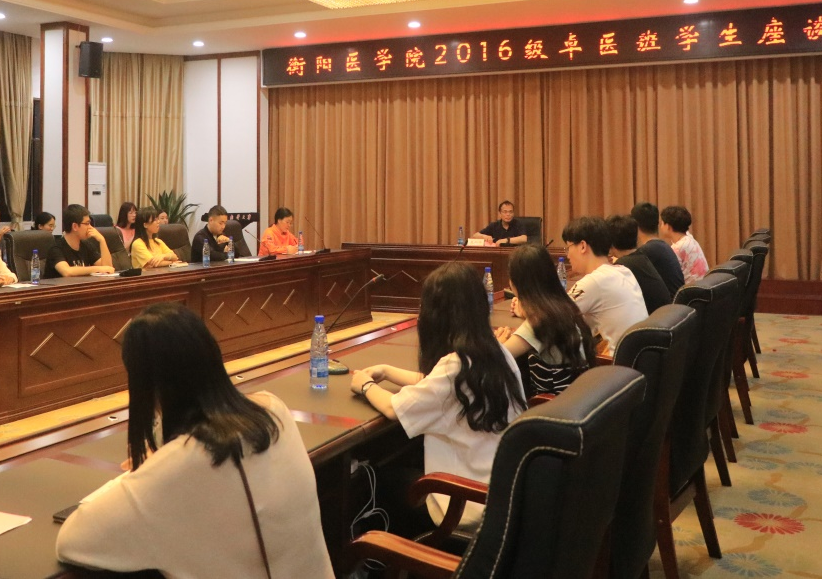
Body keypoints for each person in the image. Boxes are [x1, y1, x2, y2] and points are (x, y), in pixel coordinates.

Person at [56, 303, 334, 578]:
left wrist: (150, 470)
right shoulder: (274, 410)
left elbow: (72, 540)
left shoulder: (179, 466)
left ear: (145, 385)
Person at [350, 261, 526, 535]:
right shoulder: (495, 351)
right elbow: (436, 386)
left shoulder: (455, 366)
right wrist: (387, 371)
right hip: (501, 494)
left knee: (376, 481)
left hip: (465, 504)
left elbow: (393, 408)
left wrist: (365, 385)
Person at [495, 244, 594, 396]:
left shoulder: (539, 323)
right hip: (578, 400)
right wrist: (526, 311)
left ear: (515, 283)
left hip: (552, 405)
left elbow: (495, 359)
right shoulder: (563, 306)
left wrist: (498, 343)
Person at [561, 216, 647, 357]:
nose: (568, 255)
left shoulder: (595, 281)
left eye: (568, 247)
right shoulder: (623, 271)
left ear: (582, 246)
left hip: (612, 364)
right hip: (636, 361)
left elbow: (553, 316)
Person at [606, 214, 671, 313]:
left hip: (651, 319)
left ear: (610, 243)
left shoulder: (622, 267)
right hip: (664, 316)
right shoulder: (641, 257)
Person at [45, 204, 117, 279]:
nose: (90, 227)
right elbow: (67, 271)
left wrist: (102, 241)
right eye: (87, 223)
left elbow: (108, 268)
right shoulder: (56, 248)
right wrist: (98, 269)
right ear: (75, 226)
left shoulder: (86, 245)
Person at [631, 202, 684, 295]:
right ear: (658, 223)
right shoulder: (663, 246)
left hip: (668, 303)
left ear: (635, 225)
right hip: (677, 302)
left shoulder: (646, 252)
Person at [659, 205, 710, 286]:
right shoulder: (689, 238)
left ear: (668, 226)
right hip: (703, 285)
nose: (660, 227)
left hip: (691, 290)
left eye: (662, 223)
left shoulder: (677, 248)